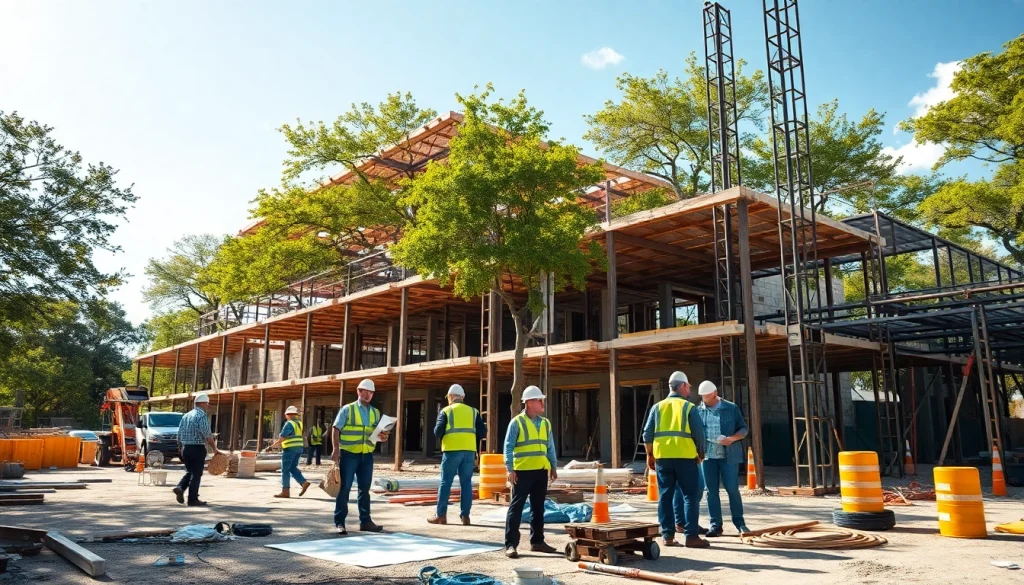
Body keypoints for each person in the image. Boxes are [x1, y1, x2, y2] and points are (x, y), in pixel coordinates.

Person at [643, 371, 709, 548]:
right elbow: (699, 434)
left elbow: (647, 434)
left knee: (665, 497)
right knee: (690, 496)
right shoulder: (689, 407)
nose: (689, 390)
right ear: (682, 386)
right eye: (688, 386)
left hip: (663, 458)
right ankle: (691, 537)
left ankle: (668, 537)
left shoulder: (657, 407)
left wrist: (650, 455)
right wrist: (701, 454)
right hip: (686, 458)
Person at [503, 385, 559, 559]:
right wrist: (510, 469)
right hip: (522, 472)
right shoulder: (517, 422)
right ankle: (511, 545)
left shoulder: (545, 423)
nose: (542, 403)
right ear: (528, 403)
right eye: (538, 400)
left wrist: (553, 466)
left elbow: (550, 446)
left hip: (541, 471)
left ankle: (537, 542)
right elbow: (508, 446)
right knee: (516, 508)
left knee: (538, 508)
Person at [331, 378, 389, 535]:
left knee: (365, 489)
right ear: (359, 392)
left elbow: (374, 434)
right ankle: (340, 523)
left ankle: (366, 521)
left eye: (371, 393)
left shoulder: (375, 412)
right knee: (345, 488)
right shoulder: (347, 409)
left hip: (366, 455)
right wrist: (336, 450)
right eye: (366, 392)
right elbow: (336, 429)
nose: (368, 395)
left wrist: (382, 437)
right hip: (349, 454)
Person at [696, 381, 750, 536]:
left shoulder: (730, 408)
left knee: (732, 489)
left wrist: (732, 438)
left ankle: (740, 523)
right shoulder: (698, 410)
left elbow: (743, 428)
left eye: (707, 395)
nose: (705, 399)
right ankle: (716, 525)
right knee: (711, 492)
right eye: (703, 396)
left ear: (715, 392)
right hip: (707, 457)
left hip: (728, 457)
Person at [428, 383, 487, 526]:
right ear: (463, 397)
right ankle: (465, 517)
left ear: (450, 397)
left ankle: (441, 516)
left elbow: (437, 432)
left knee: (445, 483)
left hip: (451, 452)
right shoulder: (474, 412)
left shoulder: (446, 411)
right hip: (468, 452)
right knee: (466, 483)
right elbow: (483, 432)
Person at [173, 393, 221, 506]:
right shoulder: (201, 416)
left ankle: (180, 487)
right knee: (196, 474)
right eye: (207, 404)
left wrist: (180, 448)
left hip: (186, 448)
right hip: (197, 448)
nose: (207, 406)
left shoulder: (186, 416)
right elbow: (207, 435)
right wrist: (214, 449)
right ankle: (193, 499)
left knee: (190, 472)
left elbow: (179, 434)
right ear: (204, 403)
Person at [268, 405, 311, 498]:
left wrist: (273, 445)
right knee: (292, 467)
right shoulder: (300, 423)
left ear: (288, 414)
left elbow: (283, 437)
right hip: (299, 448)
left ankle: (285, 491)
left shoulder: (289, 423)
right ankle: (303, 482)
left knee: (285, 470)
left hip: (290, 449)